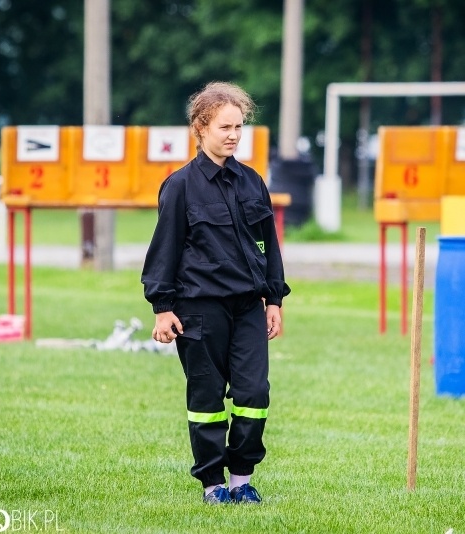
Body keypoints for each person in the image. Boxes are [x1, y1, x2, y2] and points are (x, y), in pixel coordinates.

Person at [141, 81, 290, 504]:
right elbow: (164, 250)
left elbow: (270, 246)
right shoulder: (180, 186)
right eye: (225, 127)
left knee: (254, 395)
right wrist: (162, 308)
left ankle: (242, 478)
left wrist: (274, 299)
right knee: (206, 400)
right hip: (197, 312)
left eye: (239, 127)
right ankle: (213, 485)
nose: (233, 135)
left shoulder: (252, 182)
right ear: (201, 127)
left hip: (247, 308)